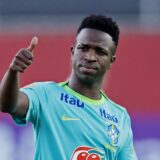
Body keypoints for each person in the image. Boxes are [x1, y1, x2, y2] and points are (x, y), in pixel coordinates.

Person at [0, 14, 138, 160]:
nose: (90, 57)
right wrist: (13, 71)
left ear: (111, 61)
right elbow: (7, 104)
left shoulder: (119, 117)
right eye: (84, 48)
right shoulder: (46, 95)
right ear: (73, 52)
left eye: (100, 52)